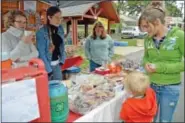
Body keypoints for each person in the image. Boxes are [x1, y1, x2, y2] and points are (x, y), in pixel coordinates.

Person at [138, 1, 184, 122]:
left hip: (170, 88)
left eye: (147, 26)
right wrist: (145, 64)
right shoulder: (147, 39)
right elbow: (145, 57)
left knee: (164, 121)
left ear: (157, 23)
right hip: (152, 86)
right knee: (149, 119)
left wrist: (160, 67)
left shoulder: (179, 36)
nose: (145, 30)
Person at [36, 6, 66, 80]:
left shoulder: (60, 29)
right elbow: (41, 53)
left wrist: (62, 60)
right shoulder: (41, 32)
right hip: (47, 65)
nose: (59, 20)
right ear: (49, 17)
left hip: (57, 64)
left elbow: (62, 46)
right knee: (48, 90)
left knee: (59, 87)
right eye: (57, 17)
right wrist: (48, 70)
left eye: (60, 18)